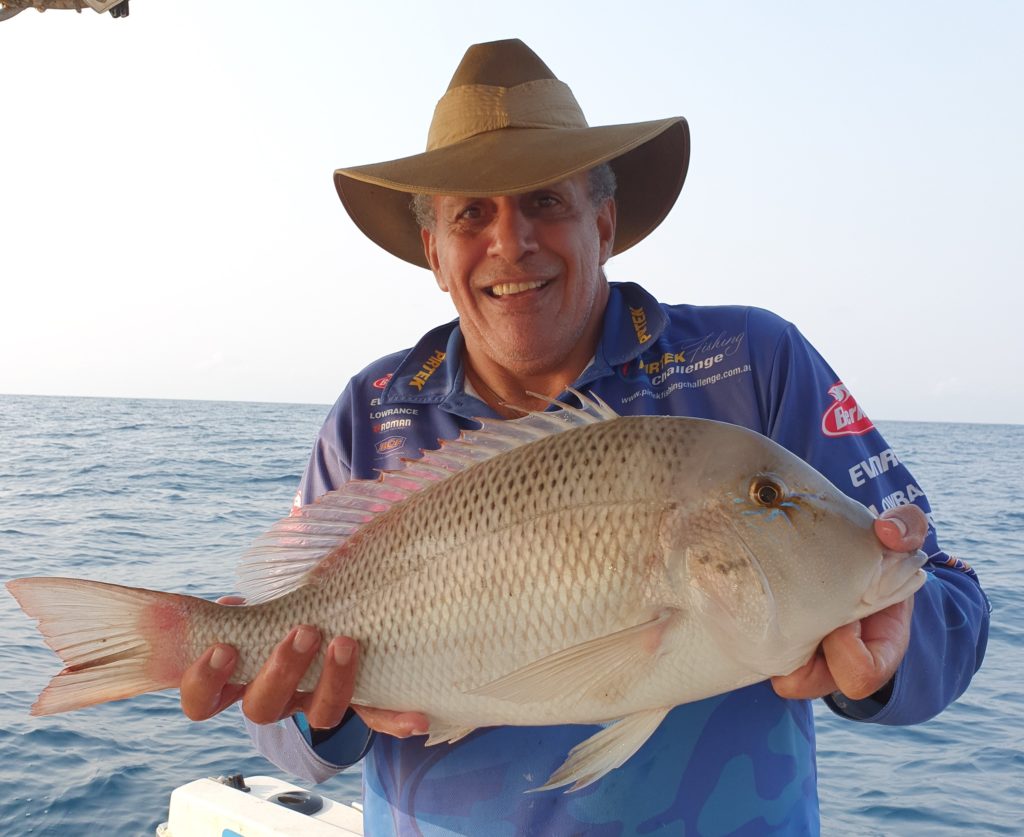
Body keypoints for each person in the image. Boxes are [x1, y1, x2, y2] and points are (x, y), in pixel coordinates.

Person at [179, 39, 989, 835]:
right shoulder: (373, 411)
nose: (511, 242)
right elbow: (290, 744)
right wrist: (308, 711)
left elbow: (946, 599)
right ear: (433, 250)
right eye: (471, 213)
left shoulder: (752, 365)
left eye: (545, 201)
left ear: (603, 221)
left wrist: (890, 658)